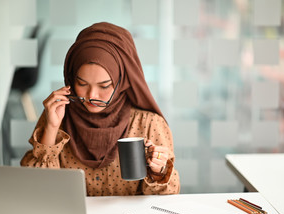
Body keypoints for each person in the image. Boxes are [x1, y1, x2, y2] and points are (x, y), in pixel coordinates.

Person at [21, 22, 180, 196]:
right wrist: (51, 128)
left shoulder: (149, 124)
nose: (92, 95)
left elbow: (166, 198)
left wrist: (158, 171)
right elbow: (40, 190)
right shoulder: (58, 114)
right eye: (81, 83)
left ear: (123, 81)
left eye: (104, 86)